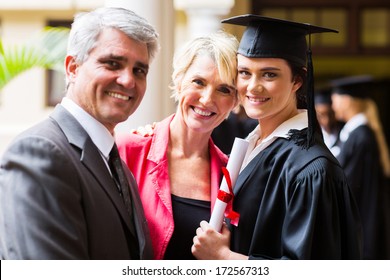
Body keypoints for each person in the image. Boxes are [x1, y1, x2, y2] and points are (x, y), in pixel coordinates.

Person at [191, 15, 363, 260]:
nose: (253, 87)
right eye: (244, 73)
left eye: (269, 75)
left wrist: (223, 258)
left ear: (297, 80)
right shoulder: (255, 143)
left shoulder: (312, 170)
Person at [0, 7, 159, 259]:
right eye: (113, 63)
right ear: (72, 68)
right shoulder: (39, 153)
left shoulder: (117, 165)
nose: (128, 81)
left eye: (139, 70)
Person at [116, 31, 239, 259]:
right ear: (179, 80)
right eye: (198, 82)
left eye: (224, 89)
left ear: (235, 101)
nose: (206, 99)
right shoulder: (127, 151)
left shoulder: (232, 174)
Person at [330, 75, 390, 259]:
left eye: (335, 100)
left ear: (346, 101)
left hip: (362, 218)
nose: (333, 106)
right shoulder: (354, 133)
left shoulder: (360, 136)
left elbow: (349, 181)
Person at [314, 87, 344, 155]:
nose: (326, 121)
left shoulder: (346, 131)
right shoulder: (311, 135)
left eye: (331, 114)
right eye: (321, 115)